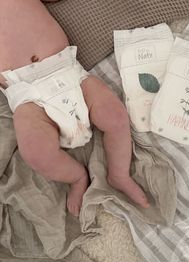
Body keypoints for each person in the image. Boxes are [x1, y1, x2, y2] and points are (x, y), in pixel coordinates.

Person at [0, 0, 149, 216]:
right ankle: (77, 177)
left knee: (115, 116)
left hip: (69, 71)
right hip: (27, 94)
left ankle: (119, 174)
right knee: (34, 151)